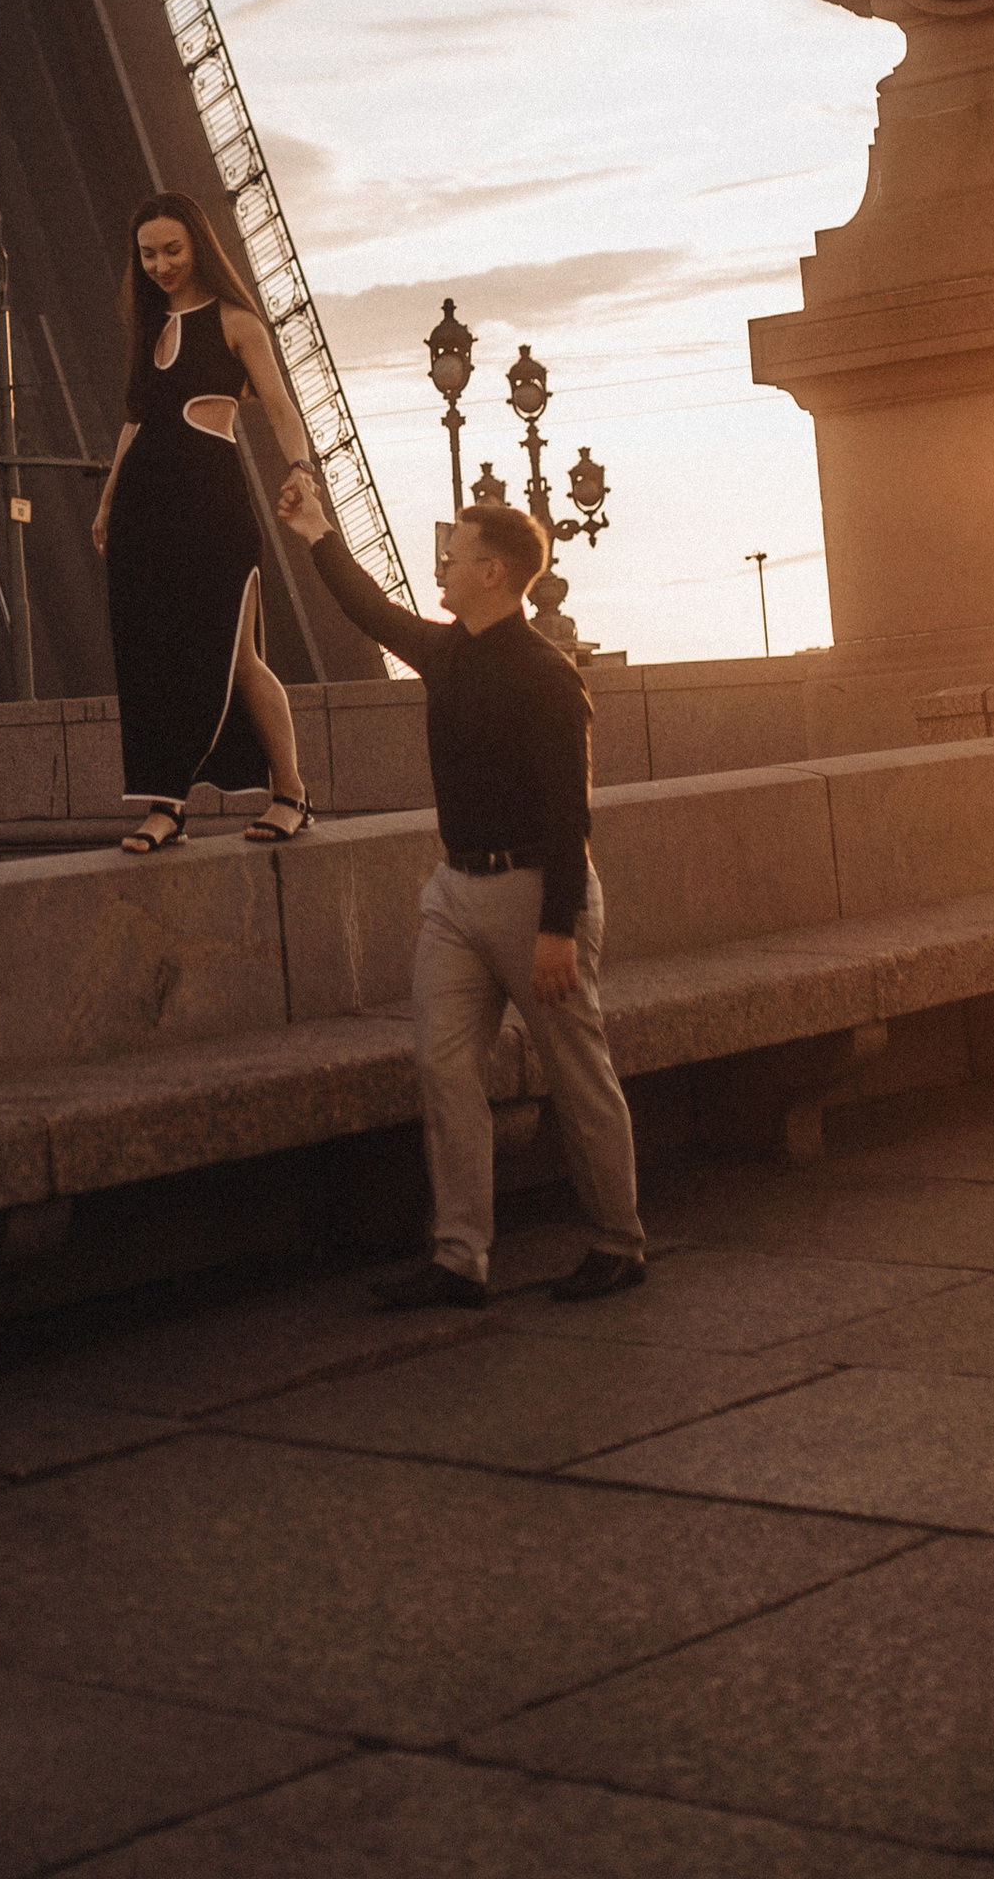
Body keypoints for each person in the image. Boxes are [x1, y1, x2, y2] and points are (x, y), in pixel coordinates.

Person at [278, 465, 644, 1307]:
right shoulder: (447, 653)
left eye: (455, 553)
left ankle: (620, 1241)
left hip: (536, 894)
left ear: (493, 574)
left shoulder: (548, 677)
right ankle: (459, 1259)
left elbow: (568, 814)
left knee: (577, 1072)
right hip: (456, 893)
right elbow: (370, 611)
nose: (439, 563)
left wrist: (557, 927)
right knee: (443, 1069)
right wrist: (316, 533)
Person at [93, 190, 316, 854]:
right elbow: (136, 421)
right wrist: (107, 502)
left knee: (238, 656)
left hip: (211, 506)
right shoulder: (148, 324)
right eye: (148, 253)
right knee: (150, 657)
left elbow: (278, 406)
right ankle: (165, 807)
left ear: (198, 248)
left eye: (172, 250)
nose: (160, 263)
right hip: (142, 509)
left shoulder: (236, 320)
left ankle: (293, 793)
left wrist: (301, 469)